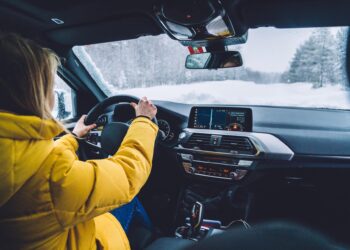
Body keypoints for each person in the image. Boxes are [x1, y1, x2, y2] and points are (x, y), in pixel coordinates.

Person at [0, 32, 158, 249]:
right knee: (129, 199)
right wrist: (143, 121)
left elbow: (34, 159)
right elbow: (127, 174)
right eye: (49, 85)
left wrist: (73, 137)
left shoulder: (15, 153)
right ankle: (157, 239)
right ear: (33, 93)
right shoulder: (51, 175)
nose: (53, 95)